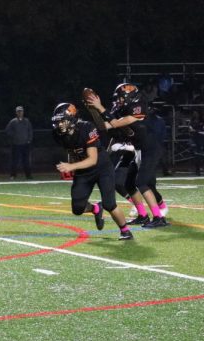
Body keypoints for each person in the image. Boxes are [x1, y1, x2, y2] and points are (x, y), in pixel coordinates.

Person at [86, 83, 169, 228]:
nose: (119, 101)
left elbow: (116, 123)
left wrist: (100, 107)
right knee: (128, 183)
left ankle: (159, 217)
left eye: (121, 98)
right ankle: (143, 215)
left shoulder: (139, 106)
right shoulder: (122, 109)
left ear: (130, 97)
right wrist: (93, 110)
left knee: (142, 183)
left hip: (150, 148)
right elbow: (105, 126)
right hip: (139, 149)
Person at [51, 103, 133, 240]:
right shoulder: (58, 134)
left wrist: (71, 167)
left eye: (62, 121)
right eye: (58, 121)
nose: (59, 125)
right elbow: (73, 150)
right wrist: (73, 164)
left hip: (102, 168)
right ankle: (96, 209)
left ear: (72, 118)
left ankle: (125, 231)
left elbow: (93, 159)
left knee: (109, 204)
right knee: (77, 208)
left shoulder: (86, 127)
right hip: (83, 170)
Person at [5, 105, 33, 179]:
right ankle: (13, 175)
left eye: (21, 111)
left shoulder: (27, 121)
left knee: (26, 161)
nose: (20, 113)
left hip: (25, 144)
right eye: (18, 111)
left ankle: (28, 175)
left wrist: (29, 139)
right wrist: (14, 137)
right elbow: (8, 131)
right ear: (16, 113)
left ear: (23, 112)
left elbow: (30, 131)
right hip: (16, 144)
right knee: (15, 161)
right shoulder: (13, 121)